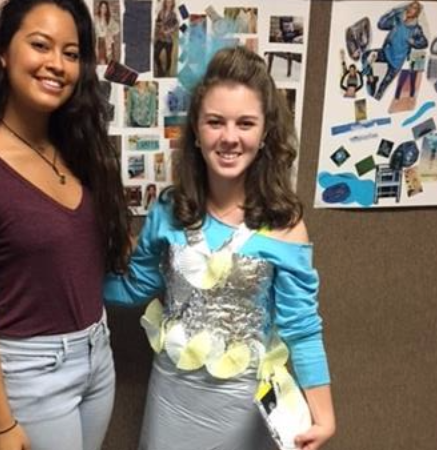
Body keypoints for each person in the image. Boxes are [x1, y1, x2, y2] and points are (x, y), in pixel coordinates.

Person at [105, 46, 335, 450]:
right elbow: (135, 287)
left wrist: (325, 416)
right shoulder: (169, 210)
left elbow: (302, 327)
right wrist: (63, 272)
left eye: (245, 123)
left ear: (265, 133)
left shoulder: (285, 224)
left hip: (243, 408)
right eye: (216, 122)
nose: (230, 137)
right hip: (171, 400)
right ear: (196, 129)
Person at [0, 1, 131, 449]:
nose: (56, 65)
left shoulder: (77, 148)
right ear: (4, 51)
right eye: (40, 45)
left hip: (97, 354)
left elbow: (72, 252)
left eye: (71, 53)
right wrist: (2, 424)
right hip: (32, 374)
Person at [361, 0, 428, 100]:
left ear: (417, 13)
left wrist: (413, 41)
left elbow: (424, 43)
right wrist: (395, 10)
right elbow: (381, 24)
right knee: (365, 56)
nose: (410, 9)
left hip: (396, 64)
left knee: (381, 91)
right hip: (386, 52)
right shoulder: (398, 21)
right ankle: (371, 78)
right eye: (409, 6)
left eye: (414, 8)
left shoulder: (416, 29)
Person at [153, 0, 179, 77]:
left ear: (172, 4)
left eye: (170, 2)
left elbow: (176, 26)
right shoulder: (160, 12)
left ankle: (167, 71)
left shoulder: (173, 14)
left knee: (169, 57)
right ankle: (160, 69)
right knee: (155, 54)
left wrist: (168, 31)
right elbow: (157, 22)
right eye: (167, 2)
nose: (168, 3)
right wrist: (159, 26)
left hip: (169, 40)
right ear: (165, 3)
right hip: (160, 38)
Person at [94, 0, 119, 65]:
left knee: (108, 63)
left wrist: (110, 32)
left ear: (107, 9)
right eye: (102, 7)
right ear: (99, 8)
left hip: (107, 42)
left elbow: (117, 28)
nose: (103, 9)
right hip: (99, 42)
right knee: (101, 62)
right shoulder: (96, 18)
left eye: (105, 8)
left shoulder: (109, 19)